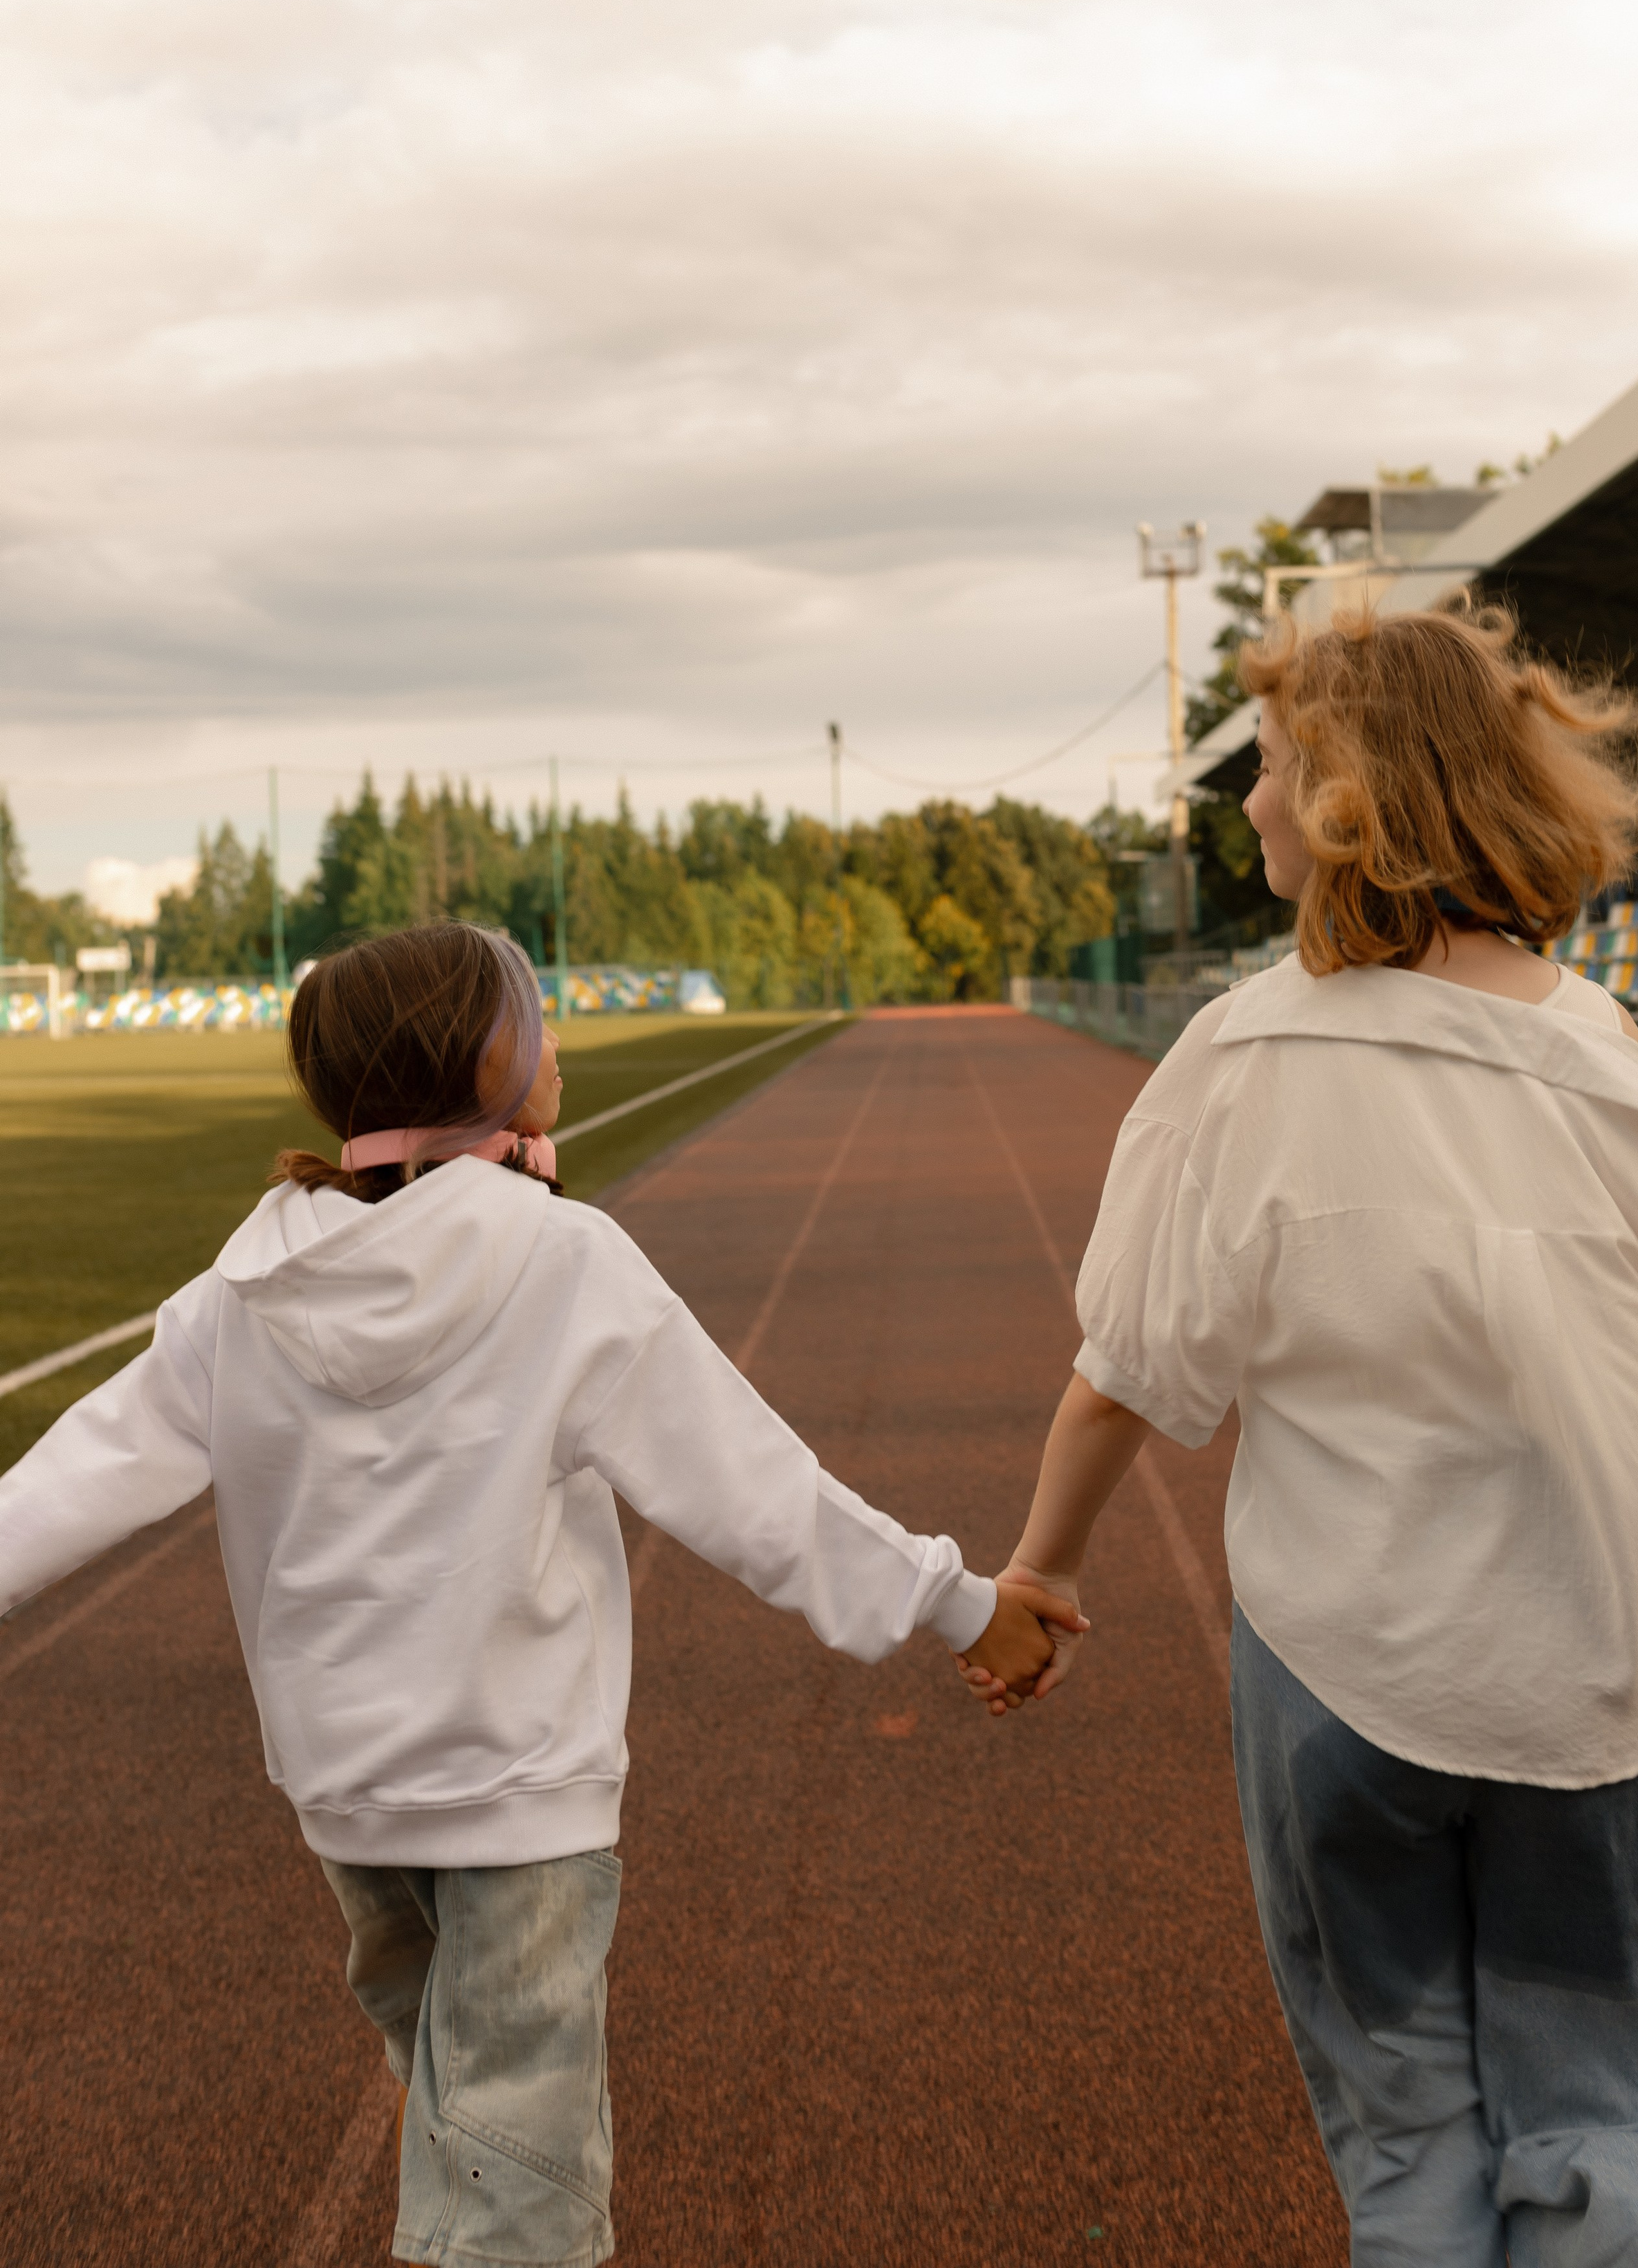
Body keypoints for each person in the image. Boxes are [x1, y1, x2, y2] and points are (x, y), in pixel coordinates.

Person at [0, 922, 1078, 2267]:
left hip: (348, 1805)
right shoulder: (561, 1264)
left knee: (463, 2126)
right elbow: (756, 1490)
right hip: (520, 1796)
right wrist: (962, 1603)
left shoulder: (248, 1287)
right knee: (517, 2179)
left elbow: (72, 1480)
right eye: (535, 1019)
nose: (555, 1042)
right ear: (485, 1061)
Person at [963, 602, 1638, 2267]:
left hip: (1342, 1675)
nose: (1246, 801)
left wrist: (1037, 1571)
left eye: (1267, 765)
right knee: (1604, 2111)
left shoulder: (1241, 1056)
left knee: (1406, 2138)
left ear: (1342, 796)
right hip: (1594, 1670)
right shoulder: (1586, 1045)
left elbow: (1126, 1368)